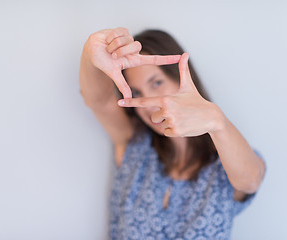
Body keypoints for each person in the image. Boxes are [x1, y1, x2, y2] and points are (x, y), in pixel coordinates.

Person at [79, 27, 266, 240]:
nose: (148, 103)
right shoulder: (134, 142)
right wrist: (90, 53)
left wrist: (217, 121)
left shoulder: (224, 166)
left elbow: (250, 180)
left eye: (157, 83)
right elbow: (99, 100)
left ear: (181, 79)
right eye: (137, 92)